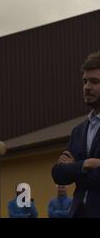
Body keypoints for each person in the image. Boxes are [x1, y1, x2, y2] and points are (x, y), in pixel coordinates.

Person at [52, 51, 100, 217]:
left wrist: (74, 168)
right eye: (85, 81)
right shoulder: (79, 131)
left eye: (94, 81)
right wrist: (86, 164)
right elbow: (58, 174)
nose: (87, 87)